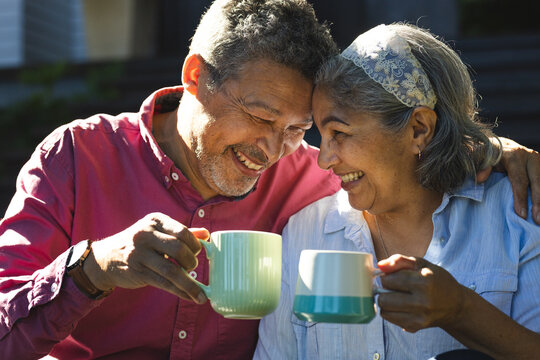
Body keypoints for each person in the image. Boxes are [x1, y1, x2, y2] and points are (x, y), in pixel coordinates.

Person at [0, 1, 537, 358]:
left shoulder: (314, 182)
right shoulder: (77, 157)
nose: (272, 150)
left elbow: (397, 158)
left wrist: (485, 146)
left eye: (296, 129)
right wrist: (94, 268)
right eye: (259, 117)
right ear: (194, 77)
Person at [255, 23, 540, 360]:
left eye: (340, 132)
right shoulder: (305, 232)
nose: (325, 160)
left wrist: (460, 310)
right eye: (321, 135)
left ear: (419, 129)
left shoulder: (517, 215)